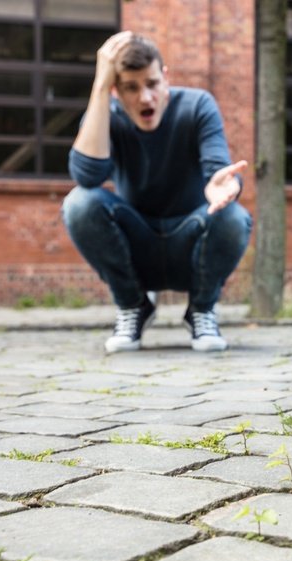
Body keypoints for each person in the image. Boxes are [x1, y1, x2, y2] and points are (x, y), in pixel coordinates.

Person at [62, 31, 251, 353]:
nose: (145, 98)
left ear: (165, 77)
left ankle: (202, 310)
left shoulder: (197, 105)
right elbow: (87, 176)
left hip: (190, 243)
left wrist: (224, 186)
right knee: (79, 203)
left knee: (234, 216)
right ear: (115, 90)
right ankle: (134, 306)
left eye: (151, 84)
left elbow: (219, 169)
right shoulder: (106, 115)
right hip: (138, 246)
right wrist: (99, 89)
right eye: (130, 88)